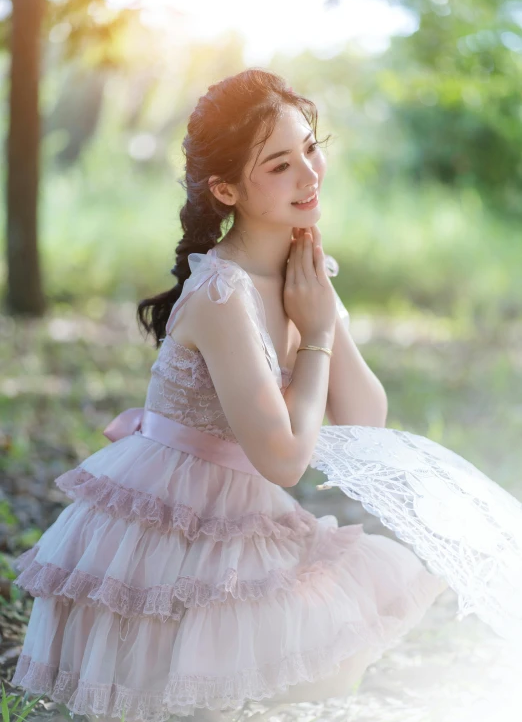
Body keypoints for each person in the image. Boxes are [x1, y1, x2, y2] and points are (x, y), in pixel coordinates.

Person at [11, 68, 520, 722]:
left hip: (236, 503)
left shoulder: (299, 267)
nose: (309, 175)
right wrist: (312, 338)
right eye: (281, 165)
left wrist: (325, 317)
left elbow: (367, 418)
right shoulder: (222, 292)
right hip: (169, 521)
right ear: (227, 188)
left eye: (311, 147)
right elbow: (285, 458)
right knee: (190, 691)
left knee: (327, 646)